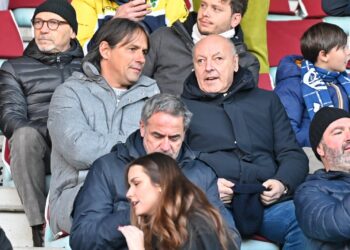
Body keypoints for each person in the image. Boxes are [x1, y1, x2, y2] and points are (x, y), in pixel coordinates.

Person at [181, 35, 309, 249]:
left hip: (267, 200)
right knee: (217, 238)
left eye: (218, 59)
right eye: (200, 61)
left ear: (235, 63)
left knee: (307, 222)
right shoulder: (180, 107)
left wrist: (282, 183)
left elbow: (292, 154)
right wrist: (206, 187)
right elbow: (170, 163)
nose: (208, 67)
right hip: (214, 202)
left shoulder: (266, 100)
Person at [70, 94, 239, 250]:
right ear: (142, 128)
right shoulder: (107, 168)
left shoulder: (201, 173)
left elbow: (230, 240)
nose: (165, 147)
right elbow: (82, 239)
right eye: (158, 136)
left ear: (184, 134)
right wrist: (137, 213)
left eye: (174, 138)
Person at [47, 18, 159, 235]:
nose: (141, 59)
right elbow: (80, 149)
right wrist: (135, 148)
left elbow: (160, 150)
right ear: (106, 50)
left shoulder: (152, 96)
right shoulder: (69, 93)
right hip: (78, 192)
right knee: (126, 217)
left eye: (144, 52)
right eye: (132, 49)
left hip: (137, 193)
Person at [0, 0, 83, 246]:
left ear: (73, 31)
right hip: (41, 147)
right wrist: (56, 133)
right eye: (38, 23)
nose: (43, 29)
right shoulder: (14, 68)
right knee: (24, 135)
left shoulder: (92, 67)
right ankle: (38, 227)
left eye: (53, 23)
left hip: (80, 146)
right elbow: (9, 118)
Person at [119, 152, 238, 250]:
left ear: (161, 184)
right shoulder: (155, 227)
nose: (129, 194)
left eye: (136, 184)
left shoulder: (199, 226)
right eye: (129, 186)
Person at [143, 0, 259, 94]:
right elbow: (134, 86)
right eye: (203, 5)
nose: (205, 13)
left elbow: (240, 111)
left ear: (235, 19)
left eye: (216, 9)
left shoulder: (246, 62)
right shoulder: (163, 38)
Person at [274, 22, 350, 148]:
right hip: (310, 153)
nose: (348, 52)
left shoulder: (344, 81)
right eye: (343, 48)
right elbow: (286, 133)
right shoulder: (291, 85)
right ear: (324, 55)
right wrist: (327, 143)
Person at [294, 107, 350, 249]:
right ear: (320, 149)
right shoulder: (309, 191)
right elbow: (336, 225)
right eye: (338, 132)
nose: (349, 136)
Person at [71, 0, 189, 53]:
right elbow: (82, 55)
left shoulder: (170, 1)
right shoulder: (85, 2)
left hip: (158, 79)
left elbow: (184, 51)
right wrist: (115, 23)